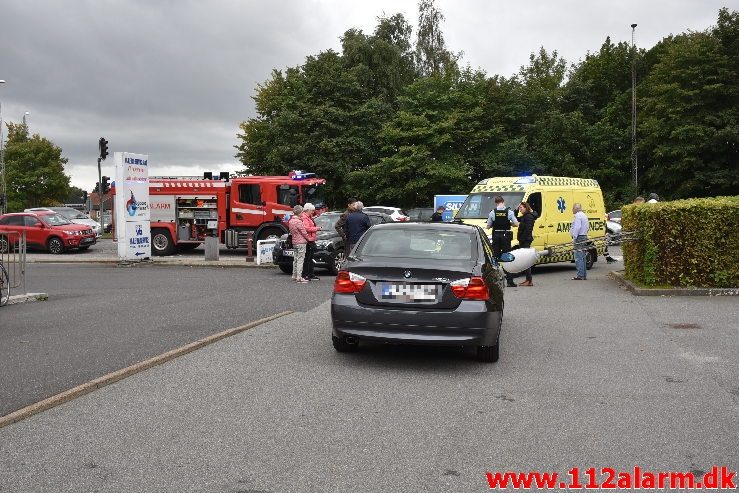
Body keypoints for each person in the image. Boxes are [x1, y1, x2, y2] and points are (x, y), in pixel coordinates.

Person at [487, 196, 519, 287]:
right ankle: (510, 281)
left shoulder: (492, 212)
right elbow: (516, 224)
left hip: (496, 236)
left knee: (495, 258)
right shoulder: (509, 212)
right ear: (503, 201)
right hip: (505, 237)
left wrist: (495, 223)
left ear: (496, 202)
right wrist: (508, 223)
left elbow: (488, 226)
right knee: (507, 258)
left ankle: (494, 281)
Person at [515, 202, 538, 286]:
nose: (520, 209)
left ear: (526, 208)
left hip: (525, 240)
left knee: (526, 260)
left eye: (521, 207)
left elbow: (528, 229)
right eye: (519, 208)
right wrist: (516, 209)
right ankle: (528, 279)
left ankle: (529, 280)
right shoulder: (525, 216)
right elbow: (516, 218)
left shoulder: (528, 216)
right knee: (525, 260)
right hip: (524, 240)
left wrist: (522, 239)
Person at [288, 205, 310, 283]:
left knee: (295, 259)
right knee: (300, 259)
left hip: (294, 242)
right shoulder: (298, 221)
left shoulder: (291, 221)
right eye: (302, 212)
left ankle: (294, 275)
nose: (303, 213)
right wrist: (308, 238)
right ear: (300, 212)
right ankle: (299, 277)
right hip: (301, 242)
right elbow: (303, 232)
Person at [570, 202, 590, 280]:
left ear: (576, 209)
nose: (572, 210)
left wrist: (574, 237)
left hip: (579, 237)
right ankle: (583, 275)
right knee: (583, 257)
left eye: (572, 208)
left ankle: (580, 275)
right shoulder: (584, 215)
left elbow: (577, 227)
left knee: (578, 257)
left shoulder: (578, 216)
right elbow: (587, 227)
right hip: (584, 236)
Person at [301, 203, 320, 281]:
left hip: (311, 239)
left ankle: (310, 274)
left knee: (310, 258)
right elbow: (306, 228)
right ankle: (306, 274)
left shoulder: (308, 217)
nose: (313, 212)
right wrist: (316, 228)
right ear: (307, 210)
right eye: (312, 210)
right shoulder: (305, 218)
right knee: (307, 258)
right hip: (308, 240)